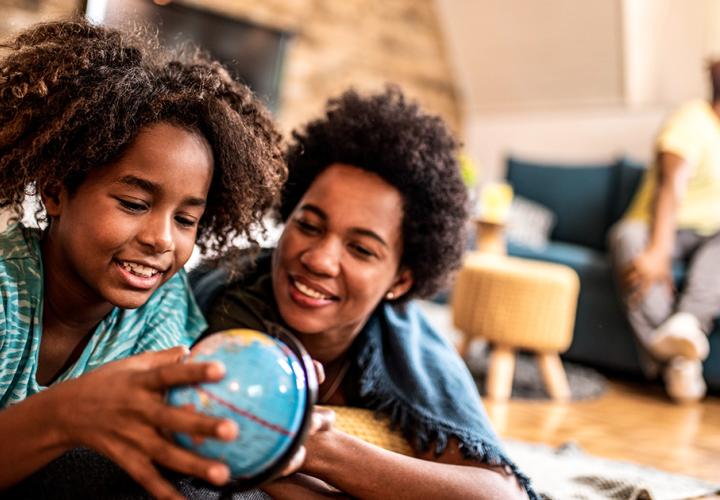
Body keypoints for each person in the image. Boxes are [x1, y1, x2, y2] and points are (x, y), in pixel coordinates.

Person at [0, 19, 290, 499]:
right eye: (134, 204)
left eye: (185, 219)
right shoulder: (7, 291)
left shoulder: (164, 308)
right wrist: (65, 413)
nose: (161, 240)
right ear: (55, 190)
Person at [197, 87, 535, 499]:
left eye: (360, 249)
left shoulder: (406, 345)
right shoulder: (229, 301)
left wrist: (313, 444)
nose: (319, 259)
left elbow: (499, 494)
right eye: (309, 225)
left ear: (401, 281)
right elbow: (227, 440)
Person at [608, 61, 720, 403]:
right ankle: (679, 360)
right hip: (659, 223)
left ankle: (686, 324)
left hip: (712, 237)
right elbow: (672, 183)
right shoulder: (692, 119)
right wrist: (658, 248)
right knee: (627, 240)